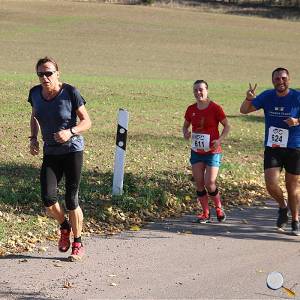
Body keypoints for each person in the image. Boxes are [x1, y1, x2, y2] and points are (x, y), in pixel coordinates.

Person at [28, 57, 92, 260]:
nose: (45, 77)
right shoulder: (35, 93)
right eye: (41, 74)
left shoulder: (70, 92)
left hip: (72, 150)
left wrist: (71, 131)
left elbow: (87, 121)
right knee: (48, 199)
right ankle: (64, 226)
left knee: (71, 199)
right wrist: (33, 138)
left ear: (57, 73)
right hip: (51, 152)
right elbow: (34, 116)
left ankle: (78, 243)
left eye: (49, 73)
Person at [240, 67, 300, 236]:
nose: (280, 81)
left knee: (292, 185)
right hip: (273, 147)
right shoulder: (267, 95)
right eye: (277, 79)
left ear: (289, 79)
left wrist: (297, 121)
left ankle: (295, 221)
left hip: (294, 146)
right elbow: (244, 110)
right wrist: (248, 98)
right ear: (272, 80)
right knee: (271, 183)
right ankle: (282, 206)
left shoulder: (297, 97)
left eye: (283, 78)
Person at [183, 80, 230, 223]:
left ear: (207, 90)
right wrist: (186, 132)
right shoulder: (191, 109)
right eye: (195, 90)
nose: (198, 92)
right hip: (197, 151)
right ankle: (205, 213)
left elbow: (227, 126)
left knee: (210, 183)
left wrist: (219, 140)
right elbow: (185, 126)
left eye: (201, 89)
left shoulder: (215, 108)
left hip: (212, 151)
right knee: (199, 183)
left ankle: (219, 208)